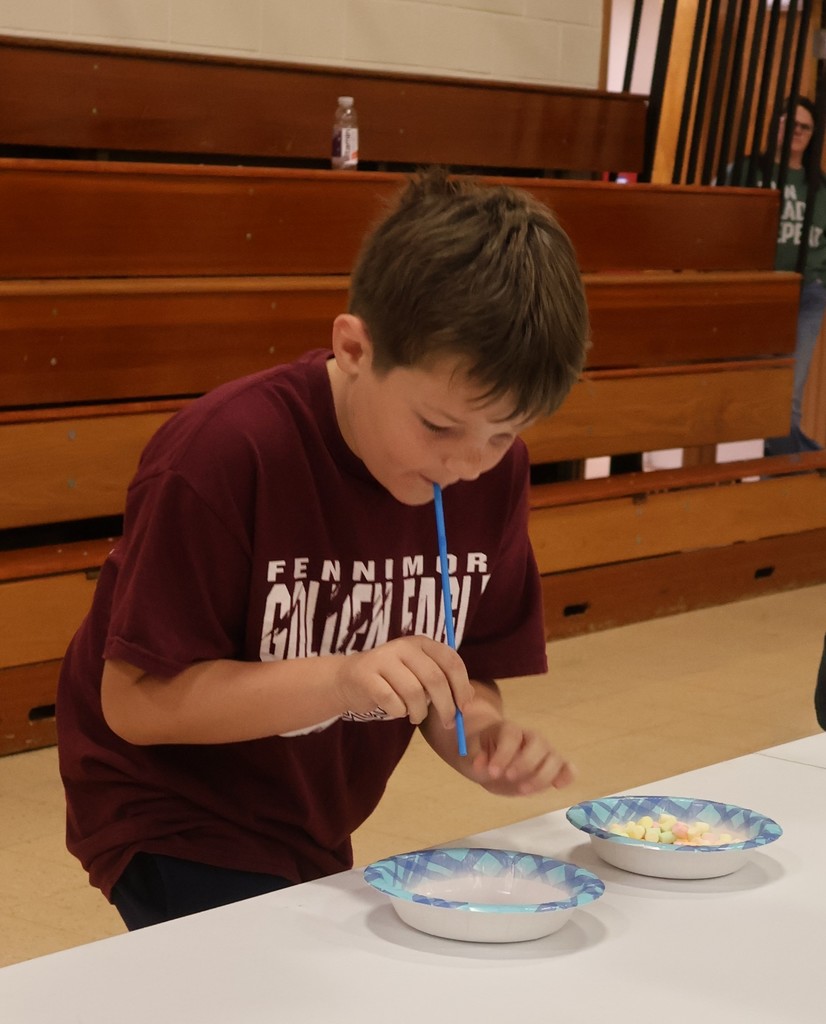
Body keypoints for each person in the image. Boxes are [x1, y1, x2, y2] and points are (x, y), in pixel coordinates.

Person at [56, 168, 591, 930]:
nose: (466, 463)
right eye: (439, 428)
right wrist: (342, 679)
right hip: (170, 805)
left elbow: (449, 685)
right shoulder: (227, 453)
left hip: (307, 814)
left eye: (505, 433)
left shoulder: (488, 470)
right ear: (353, 347)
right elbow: (134, 704)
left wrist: (483, 736)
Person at [742, 96, 826, 455]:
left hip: (808, 294)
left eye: (804, 128)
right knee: (764, 398)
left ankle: (782, 482)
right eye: (790, 124)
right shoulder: (748, 172)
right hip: (761, 293)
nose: (797, 133)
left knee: (787, 398)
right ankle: (808, 466)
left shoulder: (820, 185)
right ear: (775, 125)